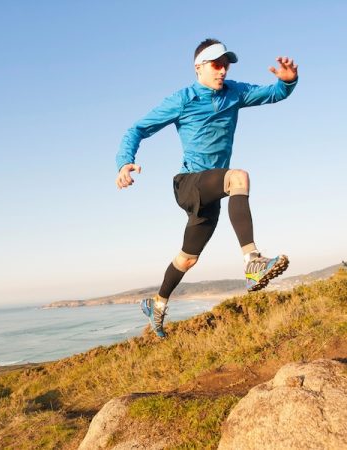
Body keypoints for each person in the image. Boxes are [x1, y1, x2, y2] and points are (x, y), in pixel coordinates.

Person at [116, 38, 298, 338]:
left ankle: (156, 304)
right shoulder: (183, 98)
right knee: (238, 177)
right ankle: (253, 261)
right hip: (189, 184)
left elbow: (273, 93)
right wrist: (125, 162)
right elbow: (137, 128)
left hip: (211, 191)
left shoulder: (235, 92)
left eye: (226, 64)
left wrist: (288, 83)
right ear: (198, 67)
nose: (222, 70)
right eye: (216, 64)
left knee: (188, 258)